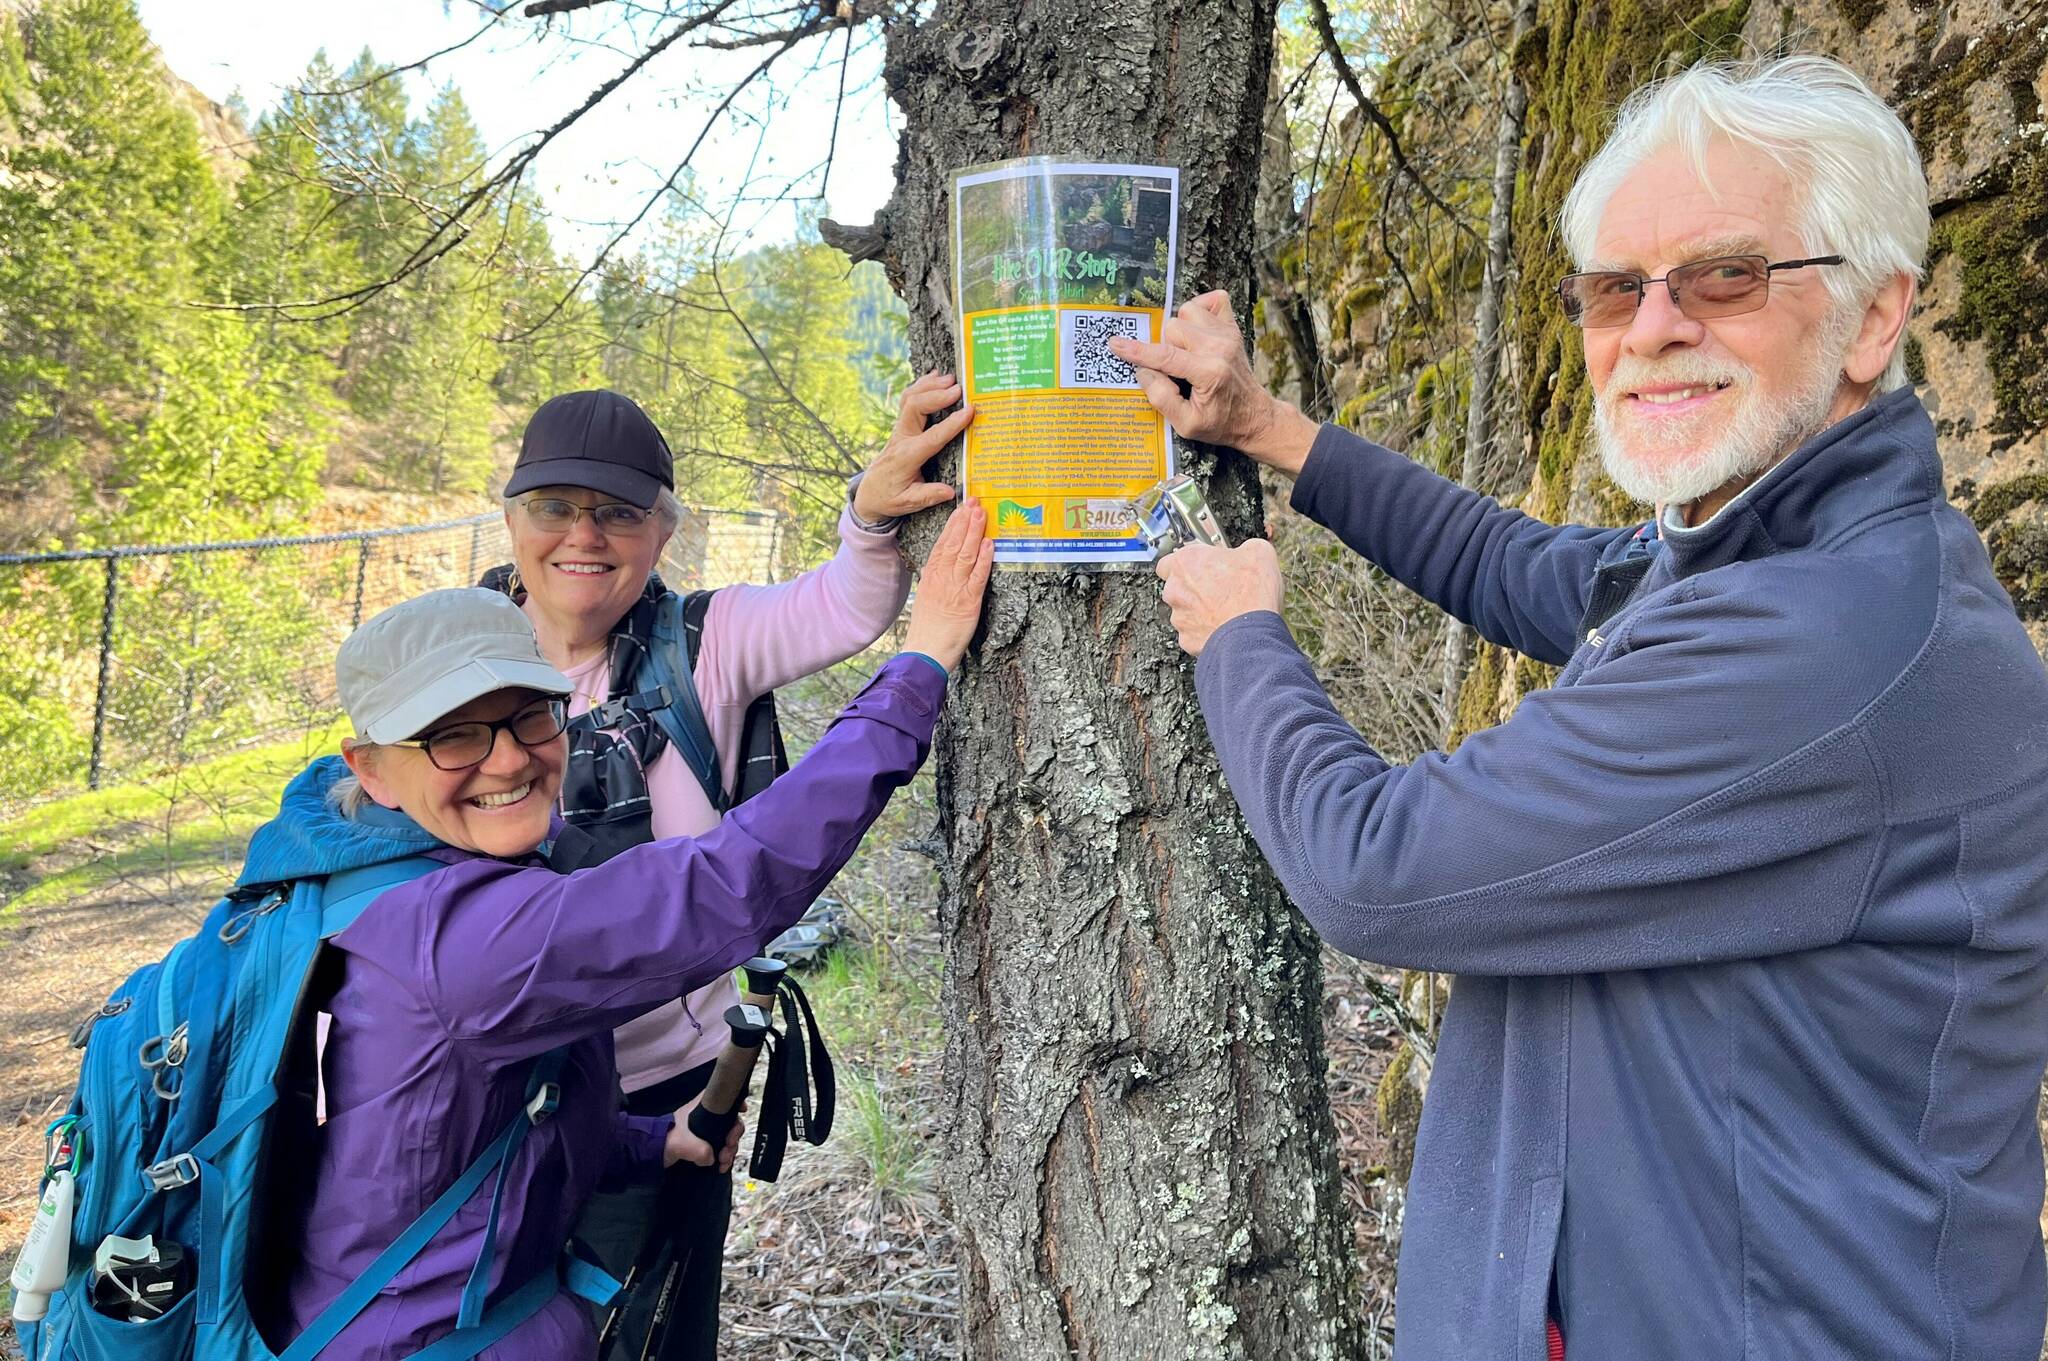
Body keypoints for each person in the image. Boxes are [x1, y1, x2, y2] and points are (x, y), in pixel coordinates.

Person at [1108, 56, 2048, 1359]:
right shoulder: (1788, 557)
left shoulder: (1819, 639)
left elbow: (1376, 869)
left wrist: (1241, 637)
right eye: (1616, 287)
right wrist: (1273, 430)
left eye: (1726, 273)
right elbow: (1520, 570)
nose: (1653, 326)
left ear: (1875, 318)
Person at [266, 500, 990, 1358]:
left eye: (530, 716)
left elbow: (444, 1122)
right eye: (453, 737)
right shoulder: (463, 937)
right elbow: (726, 883)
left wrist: (650, 1139)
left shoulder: (355, 868)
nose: (507, 759)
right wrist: (922, 662)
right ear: (371, 767)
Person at [483, 378, 970, 1355]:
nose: (584, 534)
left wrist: (868, 517)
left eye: (618, 511)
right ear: (511, 517)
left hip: (671, 1100)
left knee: (654, 1333)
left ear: (663, 530)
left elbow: (842, 605)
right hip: (491, 1111)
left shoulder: (700, 643)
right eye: (554, 507)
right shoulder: (456, 661)